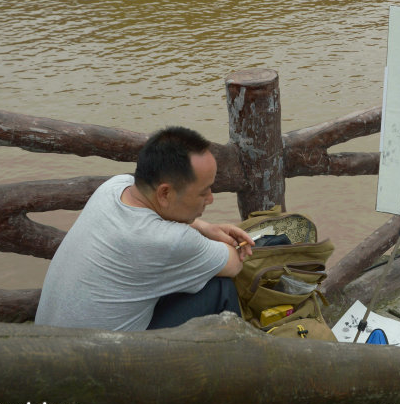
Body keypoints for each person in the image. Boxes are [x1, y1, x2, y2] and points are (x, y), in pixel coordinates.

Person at [35, 126, 253, 332]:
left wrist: (205, 228)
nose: (211, 199)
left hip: (51, 345)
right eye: (203, 192)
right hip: (107, 362)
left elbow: (158, 216)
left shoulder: (113, 188)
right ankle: (240, 362)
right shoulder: (170, 241)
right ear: (165, 194)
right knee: (220, 287)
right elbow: (233, 264)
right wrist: (225, 243)